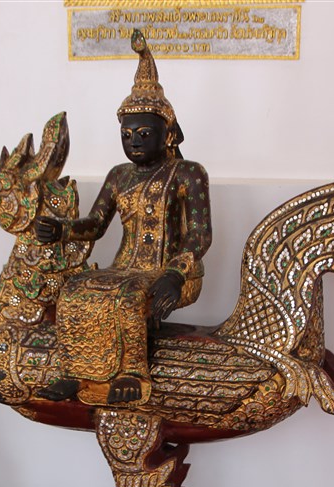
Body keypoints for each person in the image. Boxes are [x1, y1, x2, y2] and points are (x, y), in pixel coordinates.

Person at [35, 30, 212, 406]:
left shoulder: (188, 173)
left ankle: (133, 374)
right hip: (123, 267)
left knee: (129, 297)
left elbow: (199, 235)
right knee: (74, 290)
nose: (134, 140)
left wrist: (174, 274)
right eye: (127, 133)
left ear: (168, 134)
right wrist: (63, 230)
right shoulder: (119, 175)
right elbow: (96, 224)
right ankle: (75, 372)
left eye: (145, 133)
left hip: (173, 273)